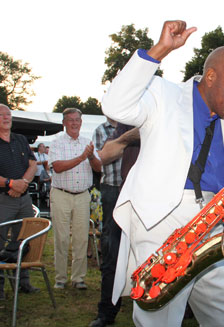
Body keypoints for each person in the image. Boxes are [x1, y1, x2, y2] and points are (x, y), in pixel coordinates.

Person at [101, 20, 224, 327]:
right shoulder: (162, 93)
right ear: (210, 76)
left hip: (210, 223)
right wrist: (160, 51)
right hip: (160, 221)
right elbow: (115, 105)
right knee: (158, 319)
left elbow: (221, 177)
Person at [89, 124, 140, 327]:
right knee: (113, 252)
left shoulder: (173, 112)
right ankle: (106, 312)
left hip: (161, 199)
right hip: (126, 196)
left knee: (161, 256)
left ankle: (175, 308)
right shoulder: (129, 122)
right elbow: (104, 156)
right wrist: (129, 136)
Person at [49, 108, 102, 290]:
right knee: (62, 238)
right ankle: (61, 278)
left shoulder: (88, 143)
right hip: (61, 194)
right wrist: (82, 157)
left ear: (81, 122)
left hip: (82, 195)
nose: (74, 123)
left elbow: (97, 168)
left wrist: (92, 156)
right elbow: (57, 167)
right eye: (70, 120)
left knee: (81, 239)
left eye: (77, 120)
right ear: (64, 123)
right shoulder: (56, 142)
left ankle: (78, 278)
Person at [0, 103, 39, 300]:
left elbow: (33, 163)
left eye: (9, 114)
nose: (7, 118)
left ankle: (23, 283)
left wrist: (23, 183)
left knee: (24, 241)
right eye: (2, 115)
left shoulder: (20, 139)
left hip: (23, 199)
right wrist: (10, 183)